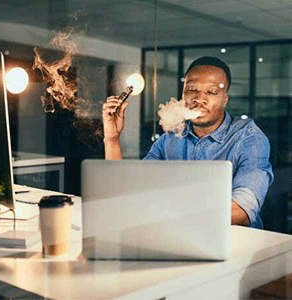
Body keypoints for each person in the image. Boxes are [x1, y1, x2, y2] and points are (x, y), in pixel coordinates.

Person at [102, 56, 274, 229]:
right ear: (183, 94)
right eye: (191, 89)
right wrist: (112, 138)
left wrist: (165, 211)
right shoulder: (171, 136)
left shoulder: (250, 139)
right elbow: (127, 192)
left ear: (225, 99)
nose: (200, 99)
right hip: (176, 234)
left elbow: (243, 209)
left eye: (212, 92)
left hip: (236, 243)